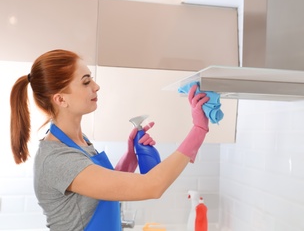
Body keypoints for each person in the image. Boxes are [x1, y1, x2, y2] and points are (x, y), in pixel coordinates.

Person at [9, 49, 210, 231]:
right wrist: (199, 130)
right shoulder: (58, 159)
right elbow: (152, 186)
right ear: (61, 99)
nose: (96, 86)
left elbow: (104, 191)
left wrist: (130, 156)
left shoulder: (79, 142)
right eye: (86, 82)